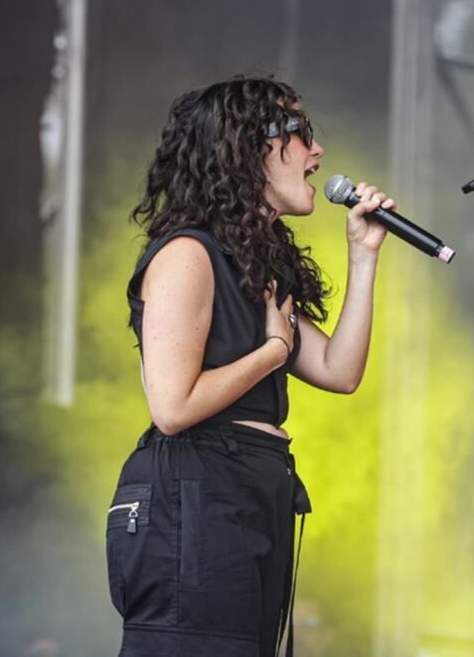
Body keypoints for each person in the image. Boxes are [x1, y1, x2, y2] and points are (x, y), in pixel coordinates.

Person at [107, 75, 390, 657]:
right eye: (300, 134)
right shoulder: (188, 255)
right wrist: (272, 353)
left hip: (251, 488)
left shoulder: (252, 267)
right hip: (195, 494)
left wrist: (362, 256)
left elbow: (341, 371)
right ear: (247, 148)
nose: (318, 153)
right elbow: (172, 406)